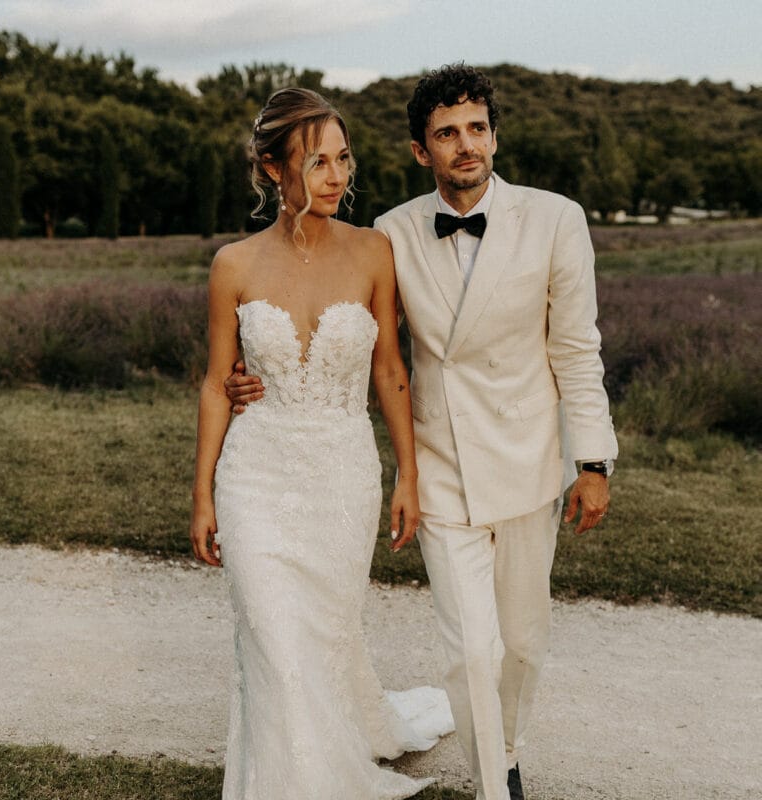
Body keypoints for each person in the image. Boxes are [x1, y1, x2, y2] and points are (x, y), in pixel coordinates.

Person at [227, 66, 619, 800]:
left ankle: (507, 746)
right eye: (446, 134)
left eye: (476, 129)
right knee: (470, 651)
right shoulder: (392, 234)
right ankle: (497, 784)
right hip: (439, 467)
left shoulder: (557, 219)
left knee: (522, 645)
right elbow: (354, 333)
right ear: (420, 150)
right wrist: (251, 373)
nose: (465, 145)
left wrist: (593, 460)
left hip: (529, 461)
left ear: (494, 137)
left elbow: (576, 349)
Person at [189, 87, 453, 800]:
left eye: (344, 159)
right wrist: (202, 495)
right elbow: (217, 384)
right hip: (256, 474)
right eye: (317, 162)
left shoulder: (373, 252)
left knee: (328, 632)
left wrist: (407, 475)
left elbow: (390, 371)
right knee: (271, 631)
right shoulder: (233, 265)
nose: (337, 176)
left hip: (342, 472)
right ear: (273, 170)